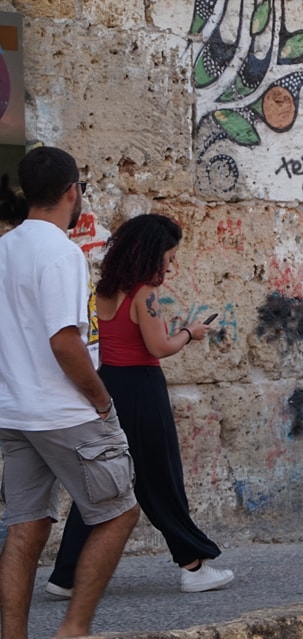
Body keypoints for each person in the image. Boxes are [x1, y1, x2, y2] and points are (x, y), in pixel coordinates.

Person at [46, 213, 234, 597]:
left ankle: (65, 577)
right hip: (142, 389)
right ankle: (193, 567)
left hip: (110, 384)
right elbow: (158, 347)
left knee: (103, 482)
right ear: (152, 253)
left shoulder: (103, 290)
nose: (171, 265)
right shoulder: (144, 293)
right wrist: (190, 332)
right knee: (162, 478)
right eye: (169, 256)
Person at [0, 146, 140, 639]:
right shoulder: (61, 252)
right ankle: (74, 629)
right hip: (64, 411)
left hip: (16, 412)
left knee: (26, 525)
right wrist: (101, 400)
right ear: (71, 192)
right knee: (120, 512)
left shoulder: (4, 248)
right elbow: (64, 341)